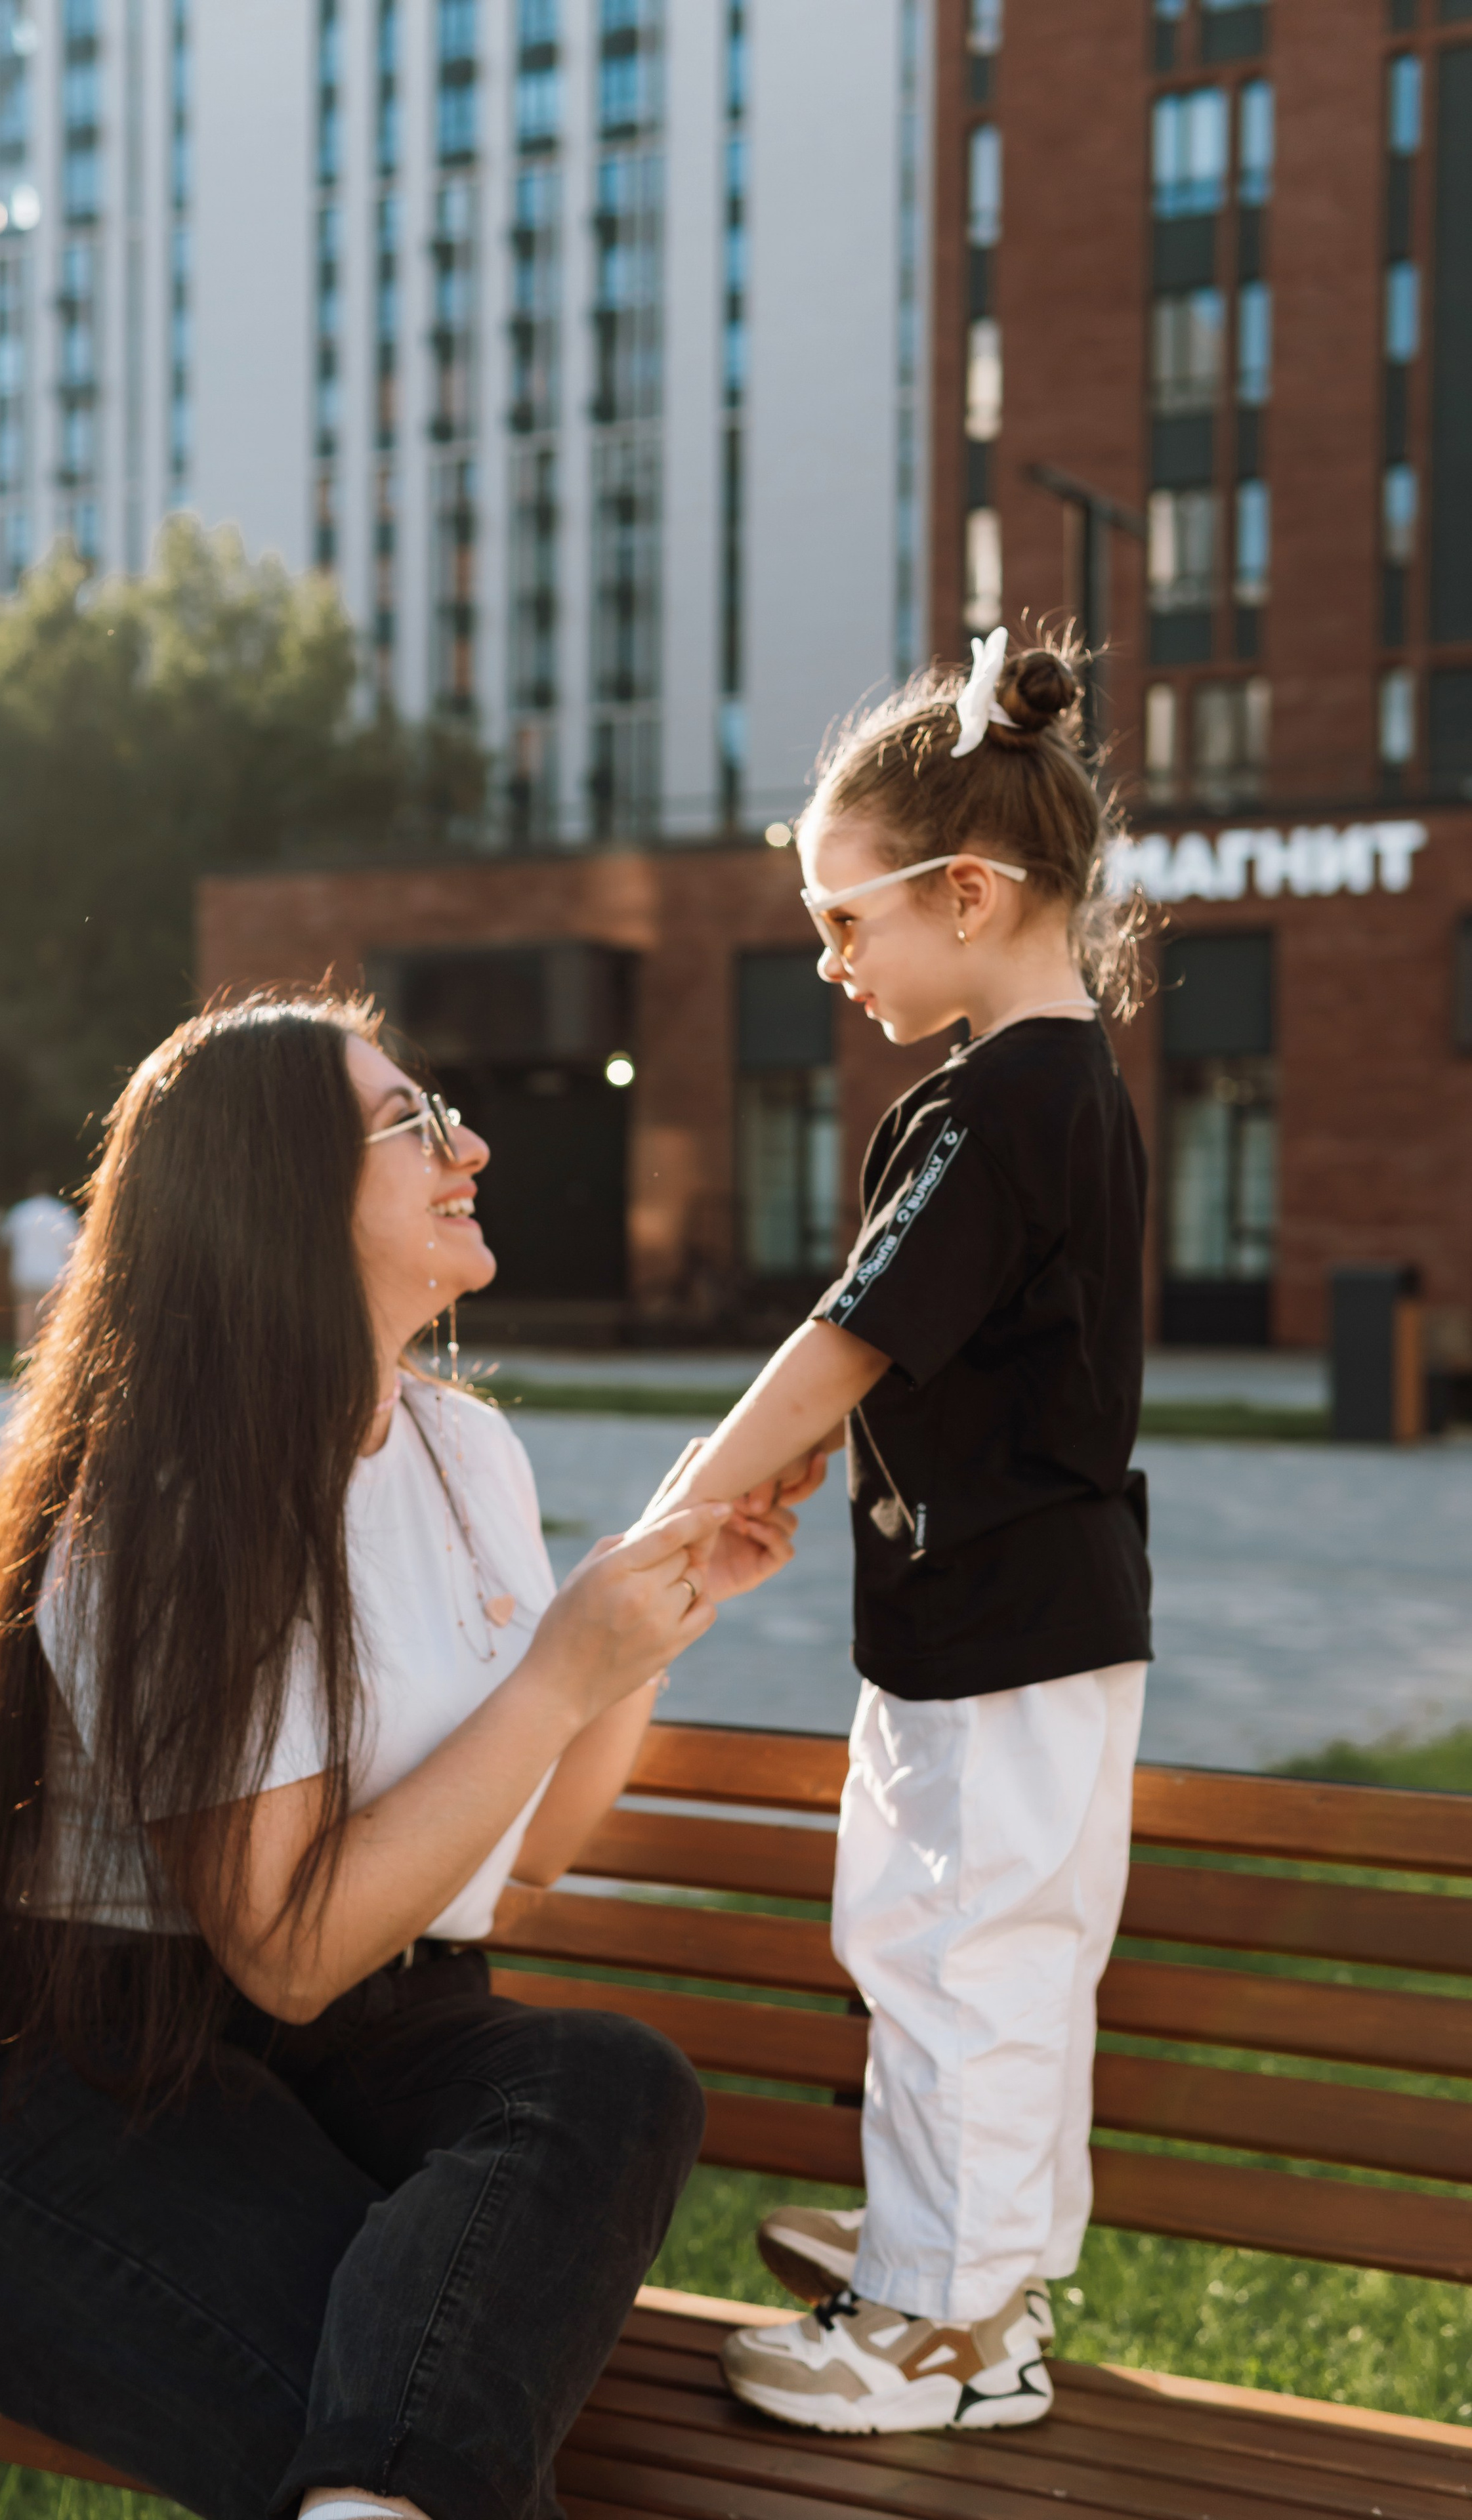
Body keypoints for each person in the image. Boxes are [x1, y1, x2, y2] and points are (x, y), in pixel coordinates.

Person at [0, 994, 797, 2520]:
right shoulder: (170, 1493)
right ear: (278, 1192)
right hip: (90, 2110)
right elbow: (279, 1952)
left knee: (607, 2078)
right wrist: (554, 1674)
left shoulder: (465, 1450)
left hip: (370, 2056)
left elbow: (521, 1863)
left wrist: (640, 1628)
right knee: (437, 2443)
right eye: (410, 1122)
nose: (468, 1143)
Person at [653, 631, 1152, 2436]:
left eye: (847, 919)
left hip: (1016, 1617)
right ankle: (949, 2259)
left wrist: (696, 1484)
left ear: (967, 889)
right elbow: (909, 1362)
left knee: (980, 1953)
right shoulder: (1014, 1095)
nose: (829, 958)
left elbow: (851, 1334)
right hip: (970, 1613)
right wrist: (798, 1466)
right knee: (921, 1935)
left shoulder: (1014, 1102)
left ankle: (946, 2326)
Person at [4, 1185, 81, 1347]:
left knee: (26, 1314)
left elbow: (7, 1239)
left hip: (26, 1272)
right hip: (55, 1274)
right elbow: (73, 1246)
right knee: (51, 1316)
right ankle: (49, 1354)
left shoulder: (21, 1212)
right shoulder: (62, 1213)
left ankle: (23, 1353)